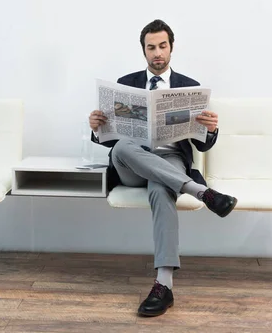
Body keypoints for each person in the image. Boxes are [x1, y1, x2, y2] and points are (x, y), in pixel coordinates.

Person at [89, 19, 238, 317]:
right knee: (122, 146)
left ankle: (163, 285)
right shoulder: (126, 84)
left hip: (171, 160)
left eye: (162, 46)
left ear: (171, 47)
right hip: (131, 160)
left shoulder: (189, 87)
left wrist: (210, 129)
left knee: (161, 189)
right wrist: (97, 128)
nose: (157, 53)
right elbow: (111, 141)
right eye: (151, 47)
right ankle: (202, 193)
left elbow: (202, 146)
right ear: (143, 50)